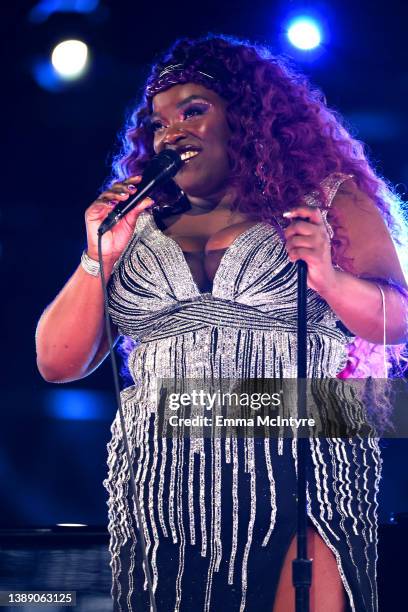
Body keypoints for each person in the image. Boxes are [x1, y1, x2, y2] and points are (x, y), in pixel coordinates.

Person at [36, 35, 408, 612]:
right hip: (160, 486)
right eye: (159, 123)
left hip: (301, 471)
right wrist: (98, 256)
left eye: (193, 109)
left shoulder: (327, 197)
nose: (172, 132)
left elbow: (397, 320)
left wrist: (330, 279)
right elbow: (58, 362)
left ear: (247, 118)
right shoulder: (134, 227)